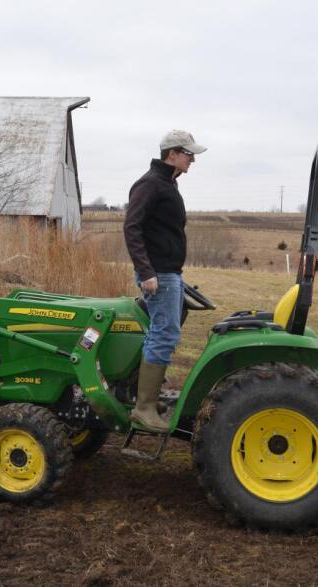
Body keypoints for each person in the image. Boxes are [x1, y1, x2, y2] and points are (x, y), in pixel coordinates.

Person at [123, 129, 206, 432]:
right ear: (172, 154)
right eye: (188, 154)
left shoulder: (167, 183)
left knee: (161, 331)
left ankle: (147, 397)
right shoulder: (149, 185)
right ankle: (144, 408)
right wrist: (146, 273)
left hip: (169, 273)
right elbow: (132, 229)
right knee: (164, 333)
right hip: (158, 275)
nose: (193, 159)